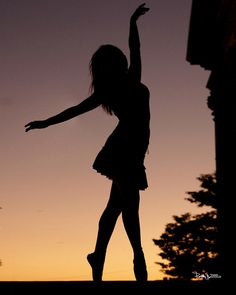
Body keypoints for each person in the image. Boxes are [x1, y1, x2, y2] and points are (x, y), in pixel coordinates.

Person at [25, 3, 150, 282]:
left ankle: (98, 257)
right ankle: (138, 258)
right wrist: (45, 123)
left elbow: (135, 49)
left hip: (132, 149)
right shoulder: (121, 86)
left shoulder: (124, 83)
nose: (120, 63)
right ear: (112, 66)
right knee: (130, 203)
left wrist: (133, 21)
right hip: (124, 149)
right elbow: (73, 110)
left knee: (116, 207)